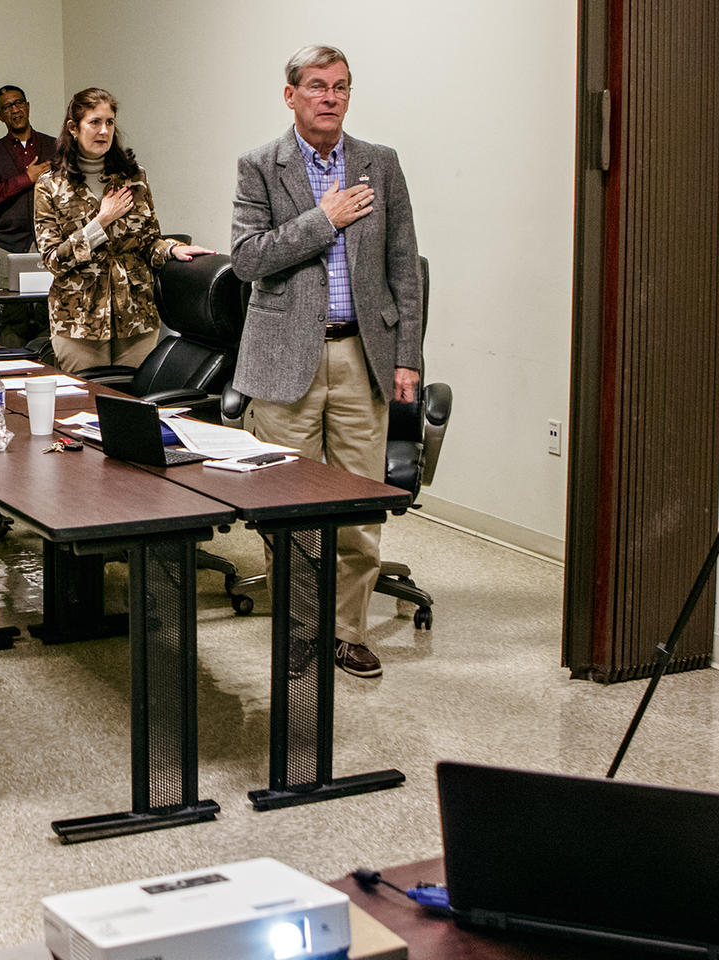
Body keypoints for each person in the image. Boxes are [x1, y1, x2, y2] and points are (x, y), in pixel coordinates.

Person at [230, 45, 424, 680]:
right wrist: (324, 218)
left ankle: (346, 632)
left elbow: (404, 267)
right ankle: (298, 629)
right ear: (291, 95)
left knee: (356, 509)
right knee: (284, 506)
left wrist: (407, 358)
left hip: (360, 355)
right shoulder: (260, 165)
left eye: (341, 86)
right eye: (317, 86)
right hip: (286, 357)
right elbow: (249, 259)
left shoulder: (379, 164)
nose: (331, 97)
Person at [32, 88, 212, 373]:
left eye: (110, 122)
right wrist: (100, 222)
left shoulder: (134, 176)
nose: (104, 130)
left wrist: (172, 248)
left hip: (135, 314)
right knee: (82, 408)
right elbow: (53, 259)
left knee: (135, 404)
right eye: (94, 122)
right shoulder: (49, 185)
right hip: (79, 319)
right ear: (73, 128)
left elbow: (148, 242)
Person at [0, 85, 56, 256]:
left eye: (18, 103)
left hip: (52, 243)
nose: (15, 109)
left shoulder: (54, 146)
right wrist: (26, 179)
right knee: (6, 285)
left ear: (27, 106)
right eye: (7, 106)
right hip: (8, 246)